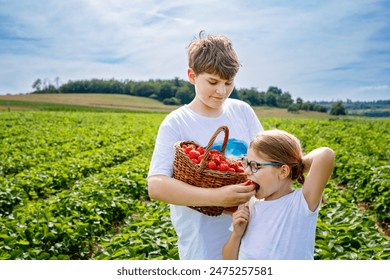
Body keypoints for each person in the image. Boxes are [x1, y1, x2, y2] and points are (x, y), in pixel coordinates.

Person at [147, 31, 263, 260]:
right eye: (213, 82)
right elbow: (156, 186)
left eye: (228, 82)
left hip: (251, 234)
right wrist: (217, 197)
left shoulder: (242, 111)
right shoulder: (177, 122)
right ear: (192, 75)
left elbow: (267, 160)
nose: (222, 91)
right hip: (203, 244)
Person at [222, 129, 334, 260]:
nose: (246, 171)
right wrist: (236, 234)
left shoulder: (301, 203)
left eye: (255, 165)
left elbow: (325, 155)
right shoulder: (249, 205)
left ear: (283, 171)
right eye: (247, 162)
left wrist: (297, 166)